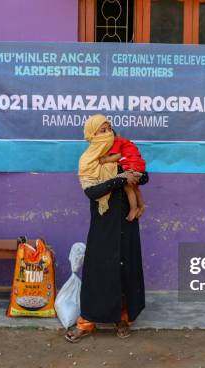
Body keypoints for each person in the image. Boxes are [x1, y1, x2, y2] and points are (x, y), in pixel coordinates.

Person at [65, 114, 148, 343]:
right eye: (101, 130)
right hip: (104, 224)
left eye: (108, 128)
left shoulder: (121, 151)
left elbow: (144, 177)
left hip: (127, 224)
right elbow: (92, 192)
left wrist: (134, 174)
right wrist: (121, 178)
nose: (107, 133)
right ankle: (87, 321)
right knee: (99, 272)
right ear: (91, 134)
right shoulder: (89, 160)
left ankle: (122, 318)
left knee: (125, 270)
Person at [99, 132, 147, 221]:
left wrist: (105, 160)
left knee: (128, 187)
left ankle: (133, 209)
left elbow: (118, 155)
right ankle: (141, 206)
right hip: (139, 165)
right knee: (135, 187)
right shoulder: (125, 142)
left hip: (132, 166)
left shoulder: (116, 142)